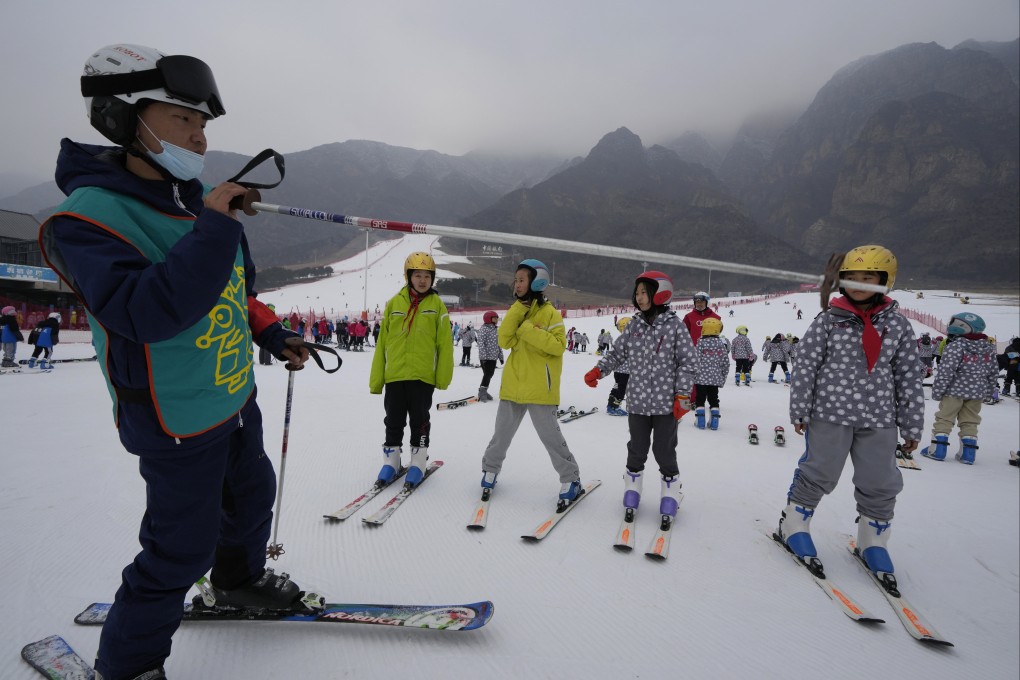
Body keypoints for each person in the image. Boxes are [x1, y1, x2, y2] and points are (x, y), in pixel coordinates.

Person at [38, 44, 313, 680]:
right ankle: (129, 664)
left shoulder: (194, 199)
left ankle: (239, 580)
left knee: (251, 498)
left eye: (203, 123)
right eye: (182, 119)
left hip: (232, 394)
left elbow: (233, 291)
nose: (200, 135)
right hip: (173, 416)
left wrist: (270, 335)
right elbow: (144, 311)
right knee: (179, 547)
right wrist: (215, 228)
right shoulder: (87, 219)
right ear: (121, 118)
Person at [774, 245, 924, 591]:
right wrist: (799, 409)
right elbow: (806, 368)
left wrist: (912, 424)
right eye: (852, 277)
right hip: (829, 414)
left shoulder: (897, 326)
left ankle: (873, 541)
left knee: (881, 480)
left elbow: (908, 377)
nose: (859, 284)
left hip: (879, 418)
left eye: (868, 277)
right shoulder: (828, 321)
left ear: (885, 280)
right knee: (819, 471)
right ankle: (794, 525)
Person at [584, 271, 696, 524]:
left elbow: (688, 363)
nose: (639, 297)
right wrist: (598, 370)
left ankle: (671, 491)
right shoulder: (633, 325)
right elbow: (617, 353)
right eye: (637, 293)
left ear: (661, 293)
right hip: (637, 402)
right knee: (637, 448)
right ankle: (633, 487)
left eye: (644, 292)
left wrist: (683, 396)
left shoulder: (674, 326)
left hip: (667, 403)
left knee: (664, 449)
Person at [479, 259, 584, 507]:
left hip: (540, 387)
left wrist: (527, 330)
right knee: (501, 434)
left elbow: (558, 346)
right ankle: (490, 470)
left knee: (550, 437)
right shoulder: (516, 310)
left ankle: (571, 478)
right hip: (514, 384)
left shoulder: (550, 314)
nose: (516, 284)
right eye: (515, 280)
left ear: (537, 282)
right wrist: (518, 312)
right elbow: (504, 340)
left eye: (521, 280)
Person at [370, 252, 454, 488]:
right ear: (408, 276)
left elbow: (444, 345)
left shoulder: (437, 306)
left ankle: (418, 461)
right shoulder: (394, 304)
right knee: (393, 420)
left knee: (420, 420)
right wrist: (377, 380)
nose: (422, 280)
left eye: (427, 276)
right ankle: (391, 461)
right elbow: (382, 345)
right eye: (417, 275)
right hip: (395, 375)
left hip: (422, 376)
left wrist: (442, 376)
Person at [920, 312, 998, 464]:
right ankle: (968, 454)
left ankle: (937, 450)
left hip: (954, 391)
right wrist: (989, 391)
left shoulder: (956, 346)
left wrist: (938, 390)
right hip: (977, 392)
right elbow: (993, 372)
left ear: (961, 326)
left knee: (945, 418)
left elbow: (946, 371)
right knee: (970, 421)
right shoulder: (988, 348)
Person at [692, 317, 729, 430]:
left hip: (701, 378)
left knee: (700, 398)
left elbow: (695, 360)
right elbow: (725, 363)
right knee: (714, 398)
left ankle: (700, 421)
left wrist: (693, 374)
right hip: (715, 379)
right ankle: (714, 422)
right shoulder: (721, 345)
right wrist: (722, 377)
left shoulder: (700, 343)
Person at [606, 316, 633, 416]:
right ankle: (615, 407)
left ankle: (610, 405)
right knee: (622, 388)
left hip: (618, 370)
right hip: (625, 371)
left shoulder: (620, 339)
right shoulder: (630, 340)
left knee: (617, 386)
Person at [476, 310, 504, 402]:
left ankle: (484, 390)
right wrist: (483, 357)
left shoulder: (496, 329)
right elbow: (481, 343)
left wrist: (501, 357)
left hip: (493, 357)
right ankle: (482, 392)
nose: (496, 320)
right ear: (489, 319)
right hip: (486, 358)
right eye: (495, 318)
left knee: (489, 375)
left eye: (496, 318)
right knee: (488, 374)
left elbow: (498, 344)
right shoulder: (484, 329)